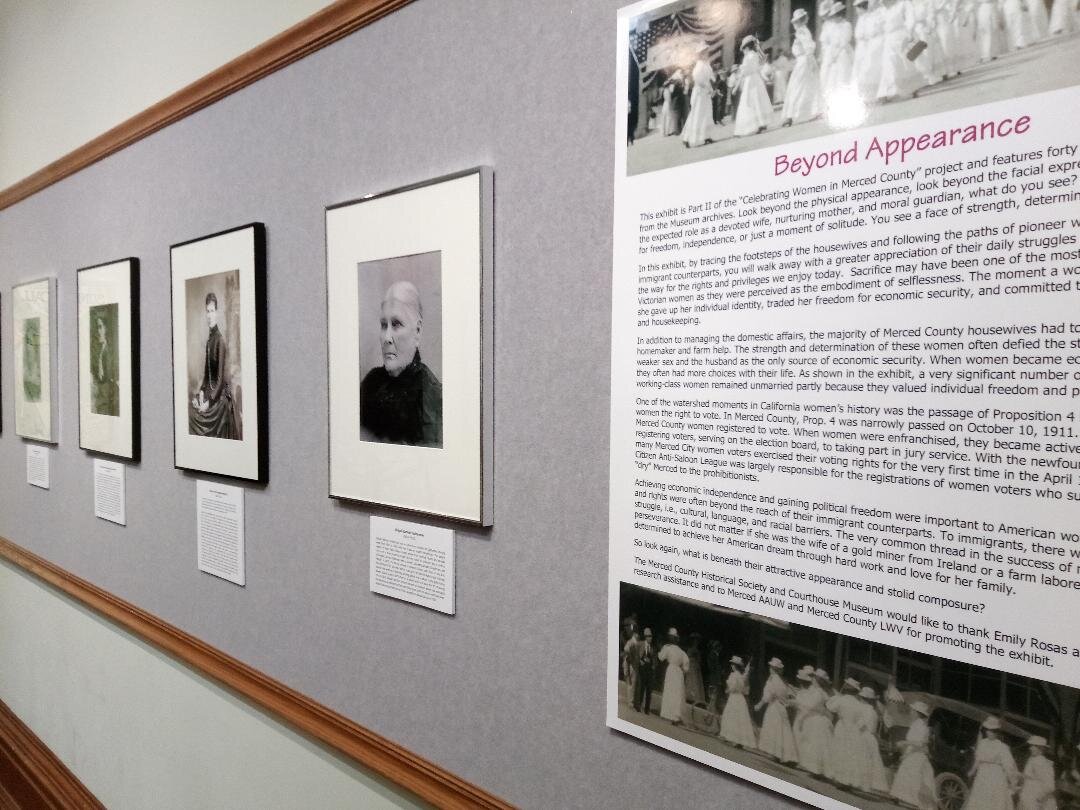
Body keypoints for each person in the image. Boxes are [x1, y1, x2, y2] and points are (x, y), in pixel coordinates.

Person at [359, 281, 442, 446]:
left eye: (396, 324)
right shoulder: (369, 385)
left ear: (417, 332)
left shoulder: (432, 397)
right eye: (384, 325)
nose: (386, 338)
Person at [189, 292, 241, 440]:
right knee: (191, 413)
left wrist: (209, 401)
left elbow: (219, 380)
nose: (209, 315)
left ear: (217, 313)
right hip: (209, 394)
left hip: (219, 398)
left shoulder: (220, 341)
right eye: (207, 311)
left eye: (212, 311)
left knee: (199, 421)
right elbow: (207, 376)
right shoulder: (209, 341)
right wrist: (200, 393)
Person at [963, 716, 1019, 810]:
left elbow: (1008, 766)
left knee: (994, 801)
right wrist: (972, 771)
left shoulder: (1002, 747)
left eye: (993, 731)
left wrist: (1013, 782)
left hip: (996, 776)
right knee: (980, 800)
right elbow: (978, 760)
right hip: (982, 775)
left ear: (997, 732)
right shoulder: (982, 743)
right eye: (988, 730)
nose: (990, 733)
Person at [782, 9, 823, 125]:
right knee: (804, 86)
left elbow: (808, 48)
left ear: (801, 21)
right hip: (802, 61)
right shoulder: (802, 31)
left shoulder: (802, 32)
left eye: (797, 21)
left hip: (805, 62)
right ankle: (813, 111)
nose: (795, 24)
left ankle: (792, 115)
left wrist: (811, 62)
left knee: (799, 87)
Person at [877, 0, 922, 100]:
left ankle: (913, 88)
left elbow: (911, 18)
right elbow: (880, 26)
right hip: (888, 39)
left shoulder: (902, 4)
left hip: (901, 36)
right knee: (888, 64)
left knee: (906, 62)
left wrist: (909, 32)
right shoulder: (882, 11)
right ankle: (885, 92)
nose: (882, 2)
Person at [755, 657, 798, 763]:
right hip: (782, 707)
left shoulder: (772, 679)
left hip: (774, 706)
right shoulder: (783, 681)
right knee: (782, 730)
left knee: (774, 729)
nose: (770, 668)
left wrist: (760, 704)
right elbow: (788, 694)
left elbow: (769, 695)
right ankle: (784, 754)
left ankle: (776, 753)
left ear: (773, 669)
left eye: (771, 667)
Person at [793, 669, 832, 776]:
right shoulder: (816, 691)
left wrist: (801, 718)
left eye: (814, 678)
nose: (812, 680)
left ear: (818, 681)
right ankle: (815, 769)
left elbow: (810, 706)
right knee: (813, 745)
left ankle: (817, 770)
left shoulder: (819, 693)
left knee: (817, 746)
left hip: (817, 721)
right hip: (813, 720)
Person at [826, 677, 863, 785]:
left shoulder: (842, 699)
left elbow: (830, 707)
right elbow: (861, 720)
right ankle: (846, 780)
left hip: (842, 727)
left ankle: (838, 777)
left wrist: (837, 696)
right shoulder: (858, 704)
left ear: (846, 689)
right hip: (854, 729)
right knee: (849, 754)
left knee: (839, 751)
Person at [733, 36, 773, 135]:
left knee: (749, 102)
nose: (743, 52)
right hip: (757, 79)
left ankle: (755, 124)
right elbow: (763, 60)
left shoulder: (747, 57)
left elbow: (743, 73)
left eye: (743, 49)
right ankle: (762, 122)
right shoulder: (755, 55)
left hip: (750, 81)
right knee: (759, 100)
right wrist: (759, 48)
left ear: (746, 48)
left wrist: (736, 87)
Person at [855, 685, 889, 792]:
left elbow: (861, 725)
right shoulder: (873, 711)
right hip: (871, 738)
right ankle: (865, 784)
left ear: (863, 699)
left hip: (864, 736)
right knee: (869, 761)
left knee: (862, 759)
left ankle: (861, 782)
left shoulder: (864, 710)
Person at [820, 1, 855, 102]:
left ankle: (846, 97)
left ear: (840, 15)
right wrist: (831, 53)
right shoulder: (832, 26)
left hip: (843, 51)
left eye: (835, 16)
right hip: (833, 52)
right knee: (831, 76)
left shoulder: (846, 25)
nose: (833, 18)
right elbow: (828, 41)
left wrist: (836, 52)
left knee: (844, 72)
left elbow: (844, 41)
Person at [681, 56, 719, 147]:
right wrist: (708, 89)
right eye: (704, 52)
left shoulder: (705, 65)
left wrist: (711, 89)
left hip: (705, 93)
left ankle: (706, 136)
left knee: (706, 114)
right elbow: (699, 81)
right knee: (697, 114)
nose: (707, 54)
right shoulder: (699, 67)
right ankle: (688, 138)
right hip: (700, 94)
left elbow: (710, 79)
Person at [720, 656, 757, 748]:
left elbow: (732, 688)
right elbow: (745, 690)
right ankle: (739, 740)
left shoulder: (734, 675)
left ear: (734, 666)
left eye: (732, 664)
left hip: (734, 697)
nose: (731, 666)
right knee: (740, 719)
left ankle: (731, 737)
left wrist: (728, 690)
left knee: (732, 717)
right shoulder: (742, 677)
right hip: (741, 699)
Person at [657, 628, 689, 724]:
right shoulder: (682, 651)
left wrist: (659, 648)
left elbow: (661, 657)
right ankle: (675, 715)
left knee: (669, 690)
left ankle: (668, 713)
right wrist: (682, 670)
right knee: (676, 693)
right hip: (678, 672)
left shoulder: (667, 647)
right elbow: (686, 666)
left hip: (671, 670)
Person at [1018, 735, 1057, 810]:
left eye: (1033, 746)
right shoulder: (1032, 759)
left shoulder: (1042, 762)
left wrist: (1039, 796)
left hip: (1035, 796)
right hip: (1028, 794)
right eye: (1031, 746)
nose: (1030, 748)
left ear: (1040, 748)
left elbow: (1050, 785)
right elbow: (1028, 776)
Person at [91, 315, 119, 416]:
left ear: (106, 328)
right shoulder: (95, 350)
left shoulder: (112, 350)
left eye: (100, 327)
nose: (98, 331)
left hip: (109, 396)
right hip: (98, 395)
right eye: (96, 328)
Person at [625, 628, 657, 714]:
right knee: (640, 688)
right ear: (645, 637)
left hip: (648, 670)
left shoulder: (652, 648)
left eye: (651, 636)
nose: (650, 638)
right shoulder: (640, 644)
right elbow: (631, 650)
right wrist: (638, 661)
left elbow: (653, 659)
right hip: (641, 669)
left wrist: (653, 665)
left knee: (649, 690)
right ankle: (638, 706)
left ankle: (647, 709)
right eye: (649, 637)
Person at [684, 633, 706, 704]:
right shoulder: (690, 649)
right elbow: (687, 657)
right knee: (691, 680)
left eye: (697, 641)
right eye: (695, 641)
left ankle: (694, 697)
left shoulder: (697, 650)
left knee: (696, 681)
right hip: (691, 667)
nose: (696, 642)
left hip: (696, 668)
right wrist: (693, 660)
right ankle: (689, 696)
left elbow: (699, 660)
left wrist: (697, 661)